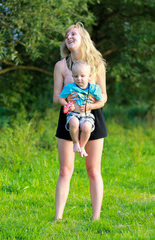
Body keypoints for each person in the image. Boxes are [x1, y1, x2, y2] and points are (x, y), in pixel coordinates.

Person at [53, 22, 107, 221]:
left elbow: (103, 98)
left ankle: (96, 218)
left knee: (93, 170)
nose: (69, 37)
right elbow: (55, 97)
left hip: (93, 116)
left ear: (83, 37)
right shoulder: (61, 66)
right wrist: (69, 105)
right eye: (67, 35)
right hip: (68, 118)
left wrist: (88, 107)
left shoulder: (97, 64)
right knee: (65, 169)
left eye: (73, 33)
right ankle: (58, 218)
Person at [59, 61, 103, 158]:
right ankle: (75, 143)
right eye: (75, 76)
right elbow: (60, 98)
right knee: (74, 123)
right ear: (72, 76)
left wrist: (91, 106)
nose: (79, 79)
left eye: (82, 76)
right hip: (73, 114)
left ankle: (82, 146)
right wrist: (67, 104)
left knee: (87, 127)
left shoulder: (94, 89)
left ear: (89, 76)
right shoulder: (70, 87)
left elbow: (101, 102)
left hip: (87, 115)